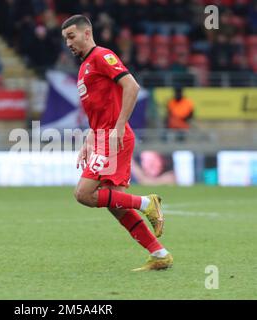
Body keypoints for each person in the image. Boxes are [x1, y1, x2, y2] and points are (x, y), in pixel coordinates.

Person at [62, 15, 173, 271]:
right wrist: (89, 140)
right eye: (65, 39)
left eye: (71, 36)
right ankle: (159, 254)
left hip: (114, 138)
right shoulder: (84, 68)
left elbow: (131, 86)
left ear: (87, 33)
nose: (68, 43)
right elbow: (99, 110)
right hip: (102, 137)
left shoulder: (102, 56)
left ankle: (148, 203)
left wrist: (120, 125)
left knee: (84, 194)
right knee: (115, 204)